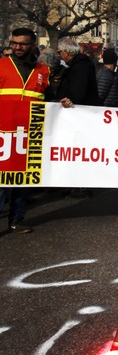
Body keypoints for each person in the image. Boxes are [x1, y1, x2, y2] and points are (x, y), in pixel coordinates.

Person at [0, 27, 51, 235]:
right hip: (3, 133)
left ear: (32, 45)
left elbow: (50, 99)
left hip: (30, 133)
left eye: (22, 44)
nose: (17, 47)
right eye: (14, 43)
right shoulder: (2, 66)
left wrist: (64, 102)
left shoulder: (43, 71)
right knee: (1, 181)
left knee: (23, 179)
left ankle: (17, 219)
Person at [56, 36, 99, 108]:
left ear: (66, 52)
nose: (58, 55)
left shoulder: (81, 66)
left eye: (59, 52)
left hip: (80, 110)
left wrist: (70, 99)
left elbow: (78, 89)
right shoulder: (77, 65)